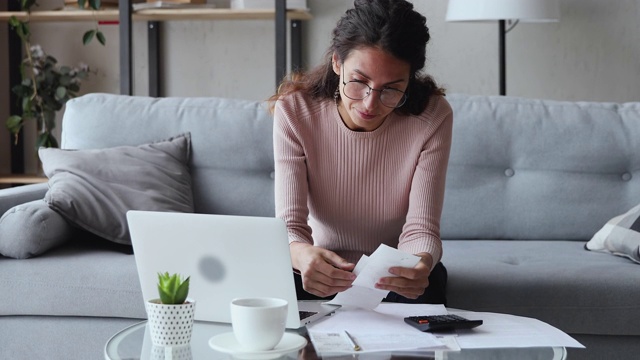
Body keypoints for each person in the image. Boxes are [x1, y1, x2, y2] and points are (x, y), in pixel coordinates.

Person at [269, 0, 452, 305]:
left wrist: (419, 263)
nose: (370, 104)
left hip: (394, 269)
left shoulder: (432, 116)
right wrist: (301, 255)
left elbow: (421, 227)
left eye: (391, 89)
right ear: (337, 63)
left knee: (426, 288)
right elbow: (290, 227)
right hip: (317, 265)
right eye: (359, 82)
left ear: (410, 79)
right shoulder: (295, 111)